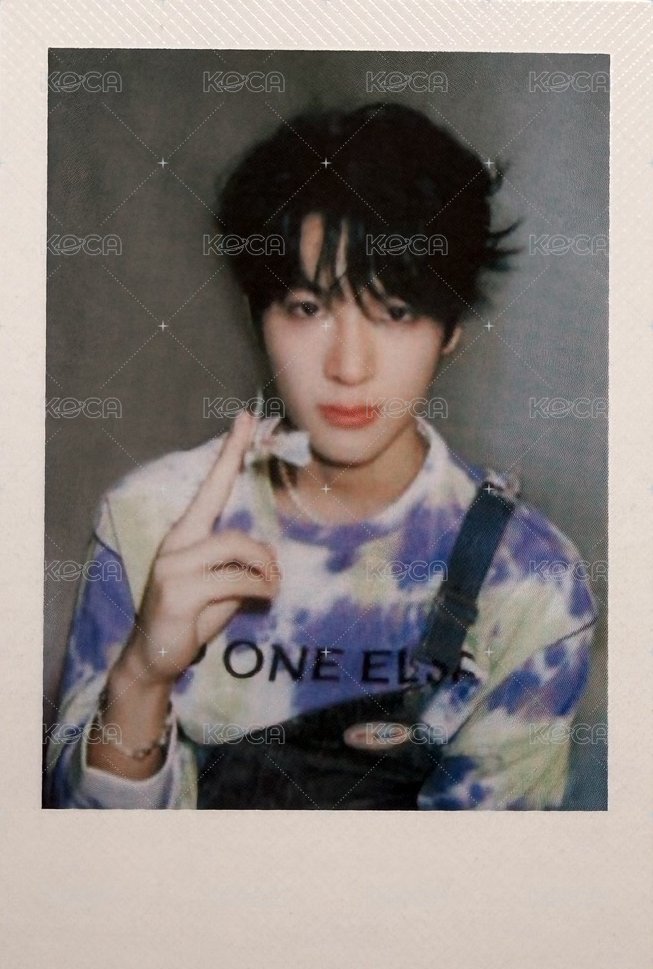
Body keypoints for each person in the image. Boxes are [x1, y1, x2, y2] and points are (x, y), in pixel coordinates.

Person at [46, 103, 599, 810]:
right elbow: (81, 859)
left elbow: (488, 873)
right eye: (307, 307)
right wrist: (141, 679)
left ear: (451, 331)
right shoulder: (149, 519)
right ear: (259, 316)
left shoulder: (528, 579)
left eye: (394, 313)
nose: (348, 366)